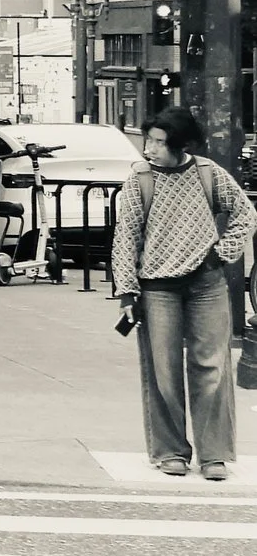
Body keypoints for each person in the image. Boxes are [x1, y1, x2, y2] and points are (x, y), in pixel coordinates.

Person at [115, 106, 257, 479]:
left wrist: (222, 253)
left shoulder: (208, 174)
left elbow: (245, 213)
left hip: (206, 284)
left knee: (212, 367)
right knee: (163, 370)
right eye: (149, 141)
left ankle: (214, 455)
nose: (151, 149)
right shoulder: (140, 180)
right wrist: (127, 292)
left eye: (160, 143)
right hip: (157, 288)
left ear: (180, 145)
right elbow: (125, 237)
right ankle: (170, 451)